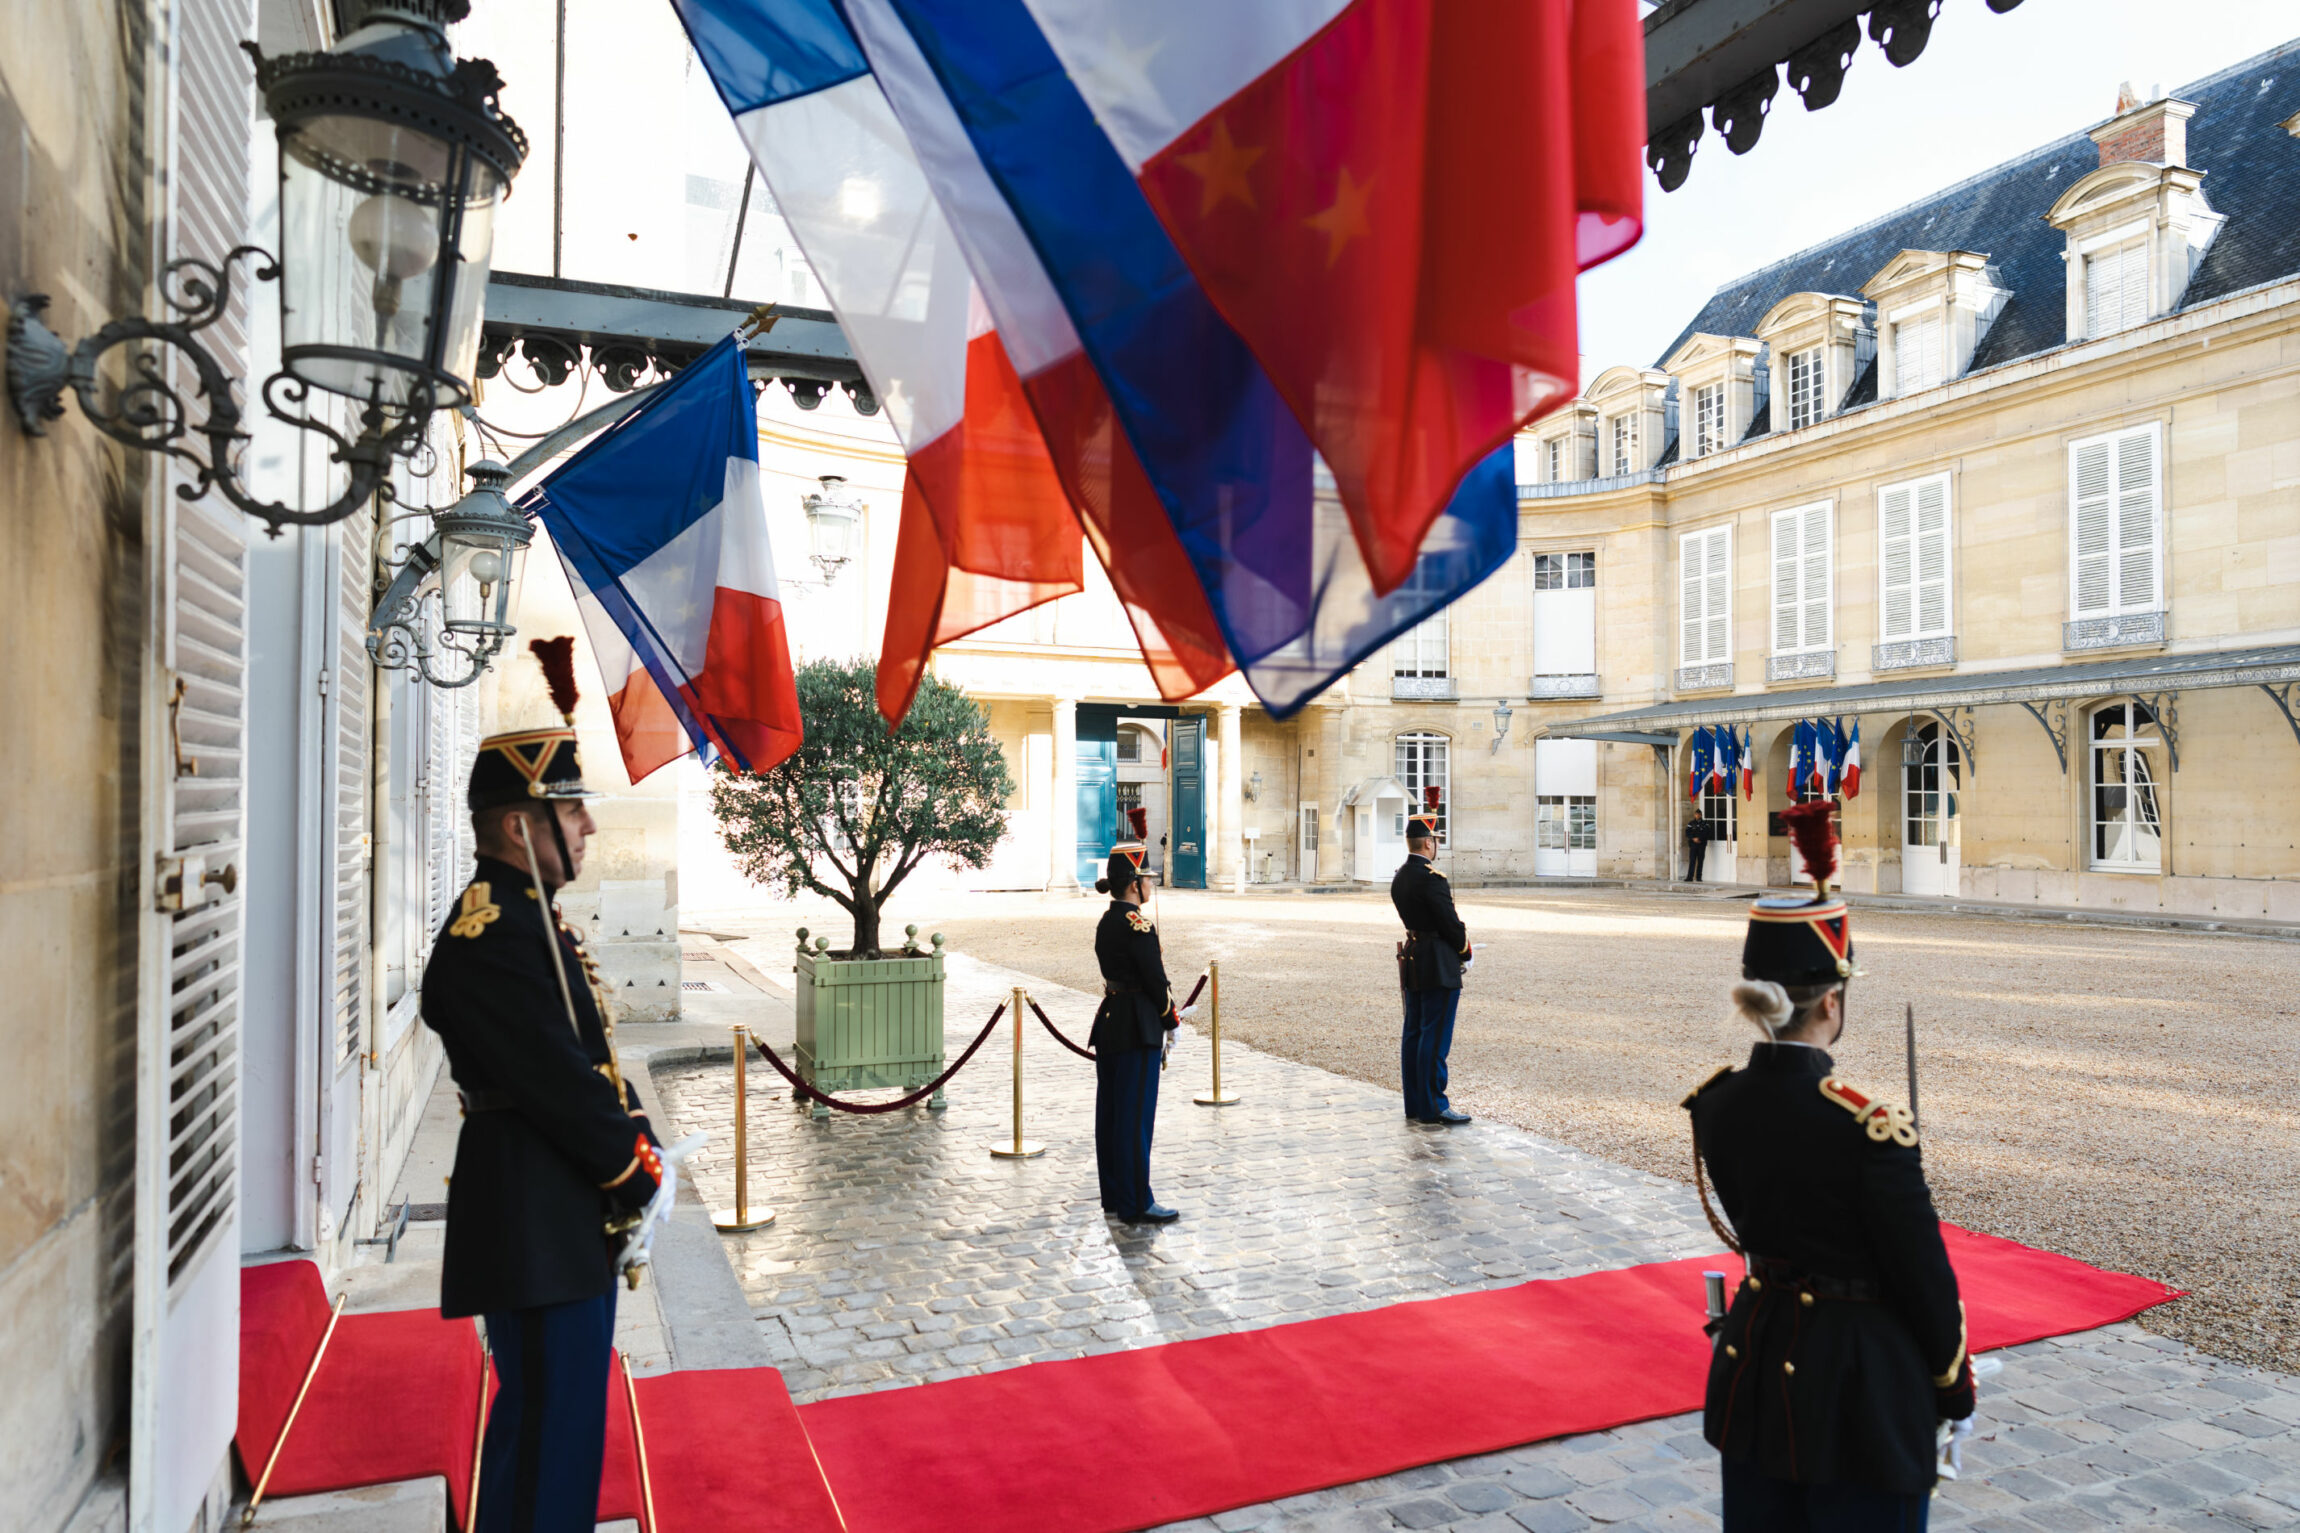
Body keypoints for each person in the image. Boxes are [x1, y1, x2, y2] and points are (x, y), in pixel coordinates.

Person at [422, 641, 663, 1533]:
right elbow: (559, 1085)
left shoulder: (528, 921)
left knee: (556, 1438)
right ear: (521, 824)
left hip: (554, 1214)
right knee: (545, 1453)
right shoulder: (493, 935)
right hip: (535, 1215)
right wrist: (637, 1167)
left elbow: (586, 1061)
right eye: (573, 809)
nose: (590, 828)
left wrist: (637, 1136)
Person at [1683, 801, 1973, 1532]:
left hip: (1757, 1359)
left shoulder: (1716, 1104)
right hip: (1859, 1383)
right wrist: (1952, 1385)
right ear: (1832, 1001)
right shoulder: (1868, 1126)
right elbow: (1922, 1275)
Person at [1089, 843, 1187, 1223]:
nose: (1150, 884)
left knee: (1111, 1115)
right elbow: (1155, 981)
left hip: (1112, 1022)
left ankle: (1114, 1195)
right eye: (1146, 878)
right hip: (1138, 1028)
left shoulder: (1106, 921)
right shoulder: (1138, 925)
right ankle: (1136, 1202)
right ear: (1133, 885)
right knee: (1134, 1119)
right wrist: (1171, 1018)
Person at [1391, 813, 1472, 1127]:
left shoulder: (1401, 876)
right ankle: (1434, 1105)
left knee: (1414, 1033)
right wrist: (1465, 950)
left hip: (1414, 959)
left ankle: (1415, 1103)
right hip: (1437, 962)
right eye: (1436, 840)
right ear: (1428, 842)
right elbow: (1450, 924)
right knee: (1434, 1038)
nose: (1436, 845)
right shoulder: (1431, 878)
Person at [1685, 812, 1711, 881]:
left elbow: (1707, 833)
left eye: (1699, 814)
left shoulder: (1705, 824)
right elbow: (1687, 832)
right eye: (1696, 814)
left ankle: (1699, 877)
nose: (1697, 815)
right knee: (1692, 861)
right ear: (1694, 815)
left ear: (1701, 815)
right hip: (1693, 845)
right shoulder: (1691, 823)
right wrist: (1693, 839)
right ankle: (1690, 877)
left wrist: (1699, 839)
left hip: (1701, 844)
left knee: (1700, 861)